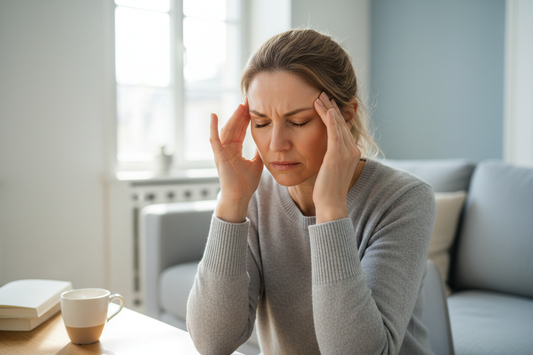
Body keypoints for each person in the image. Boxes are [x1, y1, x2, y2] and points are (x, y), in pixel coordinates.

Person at [187, 29, 436, 355]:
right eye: (261, 123)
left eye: (299, 121)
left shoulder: (404, 199)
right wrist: (232, 201)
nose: (276, 145)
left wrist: (330, 208)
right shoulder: (255, 197)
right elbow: (212, 342)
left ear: (345, 117)